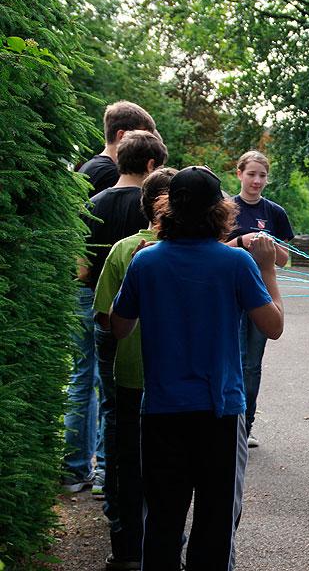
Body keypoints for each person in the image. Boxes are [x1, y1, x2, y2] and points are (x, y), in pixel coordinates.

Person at [110, 166, 284, 570]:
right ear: (219, 210)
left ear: (168, 208)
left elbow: (119, 328)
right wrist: (267, 268)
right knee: (215, 523)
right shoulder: (236, 263)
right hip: (219, 410)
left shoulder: (146, 262)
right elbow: (273, 327)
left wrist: (135, 272)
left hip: (161, 410)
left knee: (162, 522)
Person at [63, 102, 157, 495]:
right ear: (150, 165)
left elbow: (80, 265)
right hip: (130, 309)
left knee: (89, 382)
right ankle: (110, 472)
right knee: (126, 391)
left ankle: (79, 469)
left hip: (92, 300)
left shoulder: (93, 198)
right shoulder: (146, 207)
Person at [93, 168, 175, 570]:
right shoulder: (200, 251)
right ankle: (169, 549)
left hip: (132, 374)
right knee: (174, 468)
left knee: (129, 462)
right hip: (179, 379)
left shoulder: (124, 250)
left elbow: (105, 319)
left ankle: (127, 549)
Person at [224, 151, 294, 448]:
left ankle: (246, 425)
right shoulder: (226, 209)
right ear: (239, 174)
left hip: (261, 295)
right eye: (251, 174)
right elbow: (214, 249)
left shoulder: (275, 212)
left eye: (262, 175)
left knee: (252, 364)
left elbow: (285, 259)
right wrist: (242, 241)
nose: (256, 181)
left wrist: (269, 247)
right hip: (229, 296)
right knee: (233, 360)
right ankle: (229, 422)